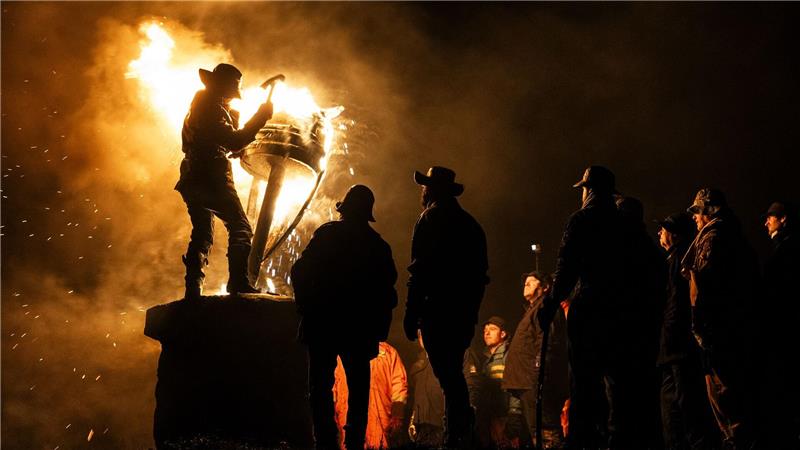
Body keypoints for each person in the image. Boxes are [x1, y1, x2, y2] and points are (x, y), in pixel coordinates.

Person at [538, 166, 656, 449]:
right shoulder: (627, 225)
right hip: (622, 313)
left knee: (584, 383)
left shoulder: (581, 220)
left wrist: (551, 303)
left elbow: (566, 268)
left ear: (588, 190)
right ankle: (618, 440)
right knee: (618, 384)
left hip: (590, 309)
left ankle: (584, 440)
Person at [291, 185, 398, 450]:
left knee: (319, 388)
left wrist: (305, 306)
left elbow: (300, 270)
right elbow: (388, 293)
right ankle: (354, 443)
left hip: (323, 324)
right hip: (359, 330)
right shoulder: (379, 246)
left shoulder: (327, 234)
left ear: (344, 210)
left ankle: (325, 442)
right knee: (359, 391)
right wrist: (379, 328)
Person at [404, 166, 489, 448]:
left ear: (432, 190)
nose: (423, 191)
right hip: (463, 314)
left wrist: (411, 313)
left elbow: (419, 271)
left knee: (448, 376)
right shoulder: (471, 225)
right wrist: (471, 312)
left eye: (425, 186)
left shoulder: (429, 219)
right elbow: (480, 276)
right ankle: (460, 432)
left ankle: (458, 434)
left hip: (437, 312)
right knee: (452, 373)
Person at [175, 63, 274, 298]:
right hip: (211, 175)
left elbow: (225, 142)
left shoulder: (201, 106)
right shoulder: (211, 108)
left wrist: (236, 138)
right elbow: (234, 141)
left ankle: (193, 288)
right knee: (240, 227)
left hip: (192, 176)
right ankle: (238, 283)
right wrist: (261, 116)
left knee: (202, 234)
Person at [681, 188, 758, 449]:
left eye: (698, 211)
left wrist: (701, 329)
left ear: (709, 211)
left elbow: (704, 288)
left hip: (719, 332)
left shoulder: (713, 239)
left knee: (724, 397)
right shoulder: (735, 237)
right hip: (734, 329)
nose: (694, 217)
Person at [655, 213, 718, 450]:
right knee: (678, 405)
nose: (659, 233)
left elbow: (676, 303)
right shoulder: (677, 258)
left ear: (675, 235)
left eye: (664, 229)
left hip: (677, 348)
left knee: (684, 406)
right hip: (675, 347)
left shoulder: (678, 260)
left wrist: (669, 340)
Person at [503, 272, 568, 449]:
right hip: (527, 380)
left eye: (532, 281)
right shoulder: (533, 309)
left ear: (545, 287)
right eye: (525, 282)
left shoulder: (546, 307)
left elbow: (548, 341)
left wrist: (540, 372)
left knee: (545, 428)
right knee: (536, 430)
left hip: (536, 381)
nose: (526, 284)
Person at [759, 201, 799, 448]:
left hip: (783, 329)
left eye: (770, 217)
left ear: (783, 219)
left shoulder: (786, 249)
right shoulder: (785, 247)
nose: (766, 222)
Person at [408, 330, 483, 448]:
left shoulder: (459, 352)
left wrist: (464, 419)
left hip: (445, 424)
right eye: (420, 334)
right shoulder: (421, 361)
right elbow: (418, 394)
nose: (422, 337)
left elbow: (471, 386)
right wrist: (413, 419)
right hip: (423, 427)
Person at [332, 342, 408, 450]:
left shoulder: (388, 353)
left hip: (380, 422)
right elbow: (332, 386)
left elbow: (399, 384)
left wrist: (397, 415)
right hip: (348, 419)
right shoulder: (339, 355)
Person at [477, 316, 514, 448]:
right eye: (485, 330)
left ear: (503, 334)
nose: (487, 333)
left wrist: (512, 421)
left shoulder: (509, 356)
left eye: (492, 329)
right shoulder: (485, 360)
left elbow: (514, 388)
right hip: (490, 418)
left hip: (504, 418)